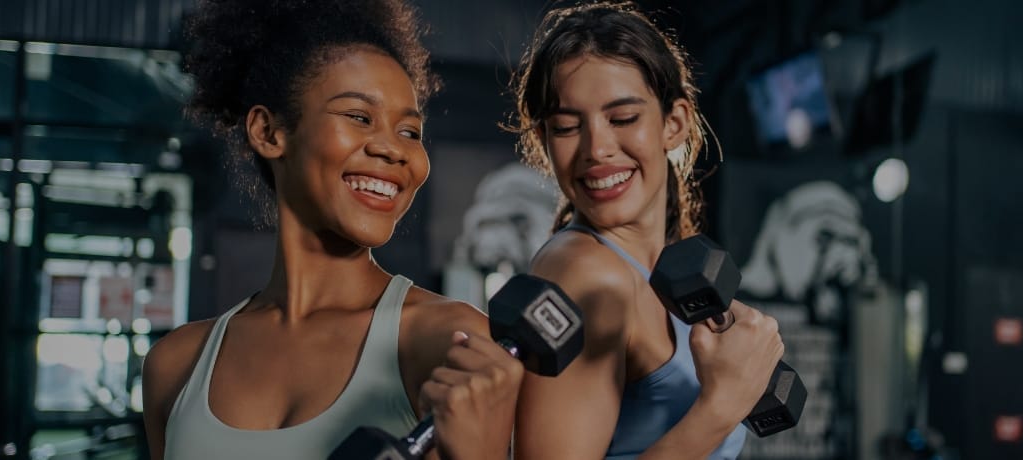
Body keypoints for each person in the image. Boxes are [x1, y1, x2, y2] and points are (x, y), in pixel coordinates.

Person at [142, 1, 521, 458]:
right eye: (359, 117)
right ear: (268, 132)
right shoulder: (175, 366)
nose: (394, 150)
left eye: (410, 131)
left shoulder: (449, 343)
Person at [506, 2, 786, 458]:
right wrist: (720, 406)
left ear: (674, 123)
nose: (597, 149)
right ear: (543, 142)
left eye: (622, 118)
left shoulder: (662, 270)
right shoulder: (587, 273)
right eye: (567, 126)